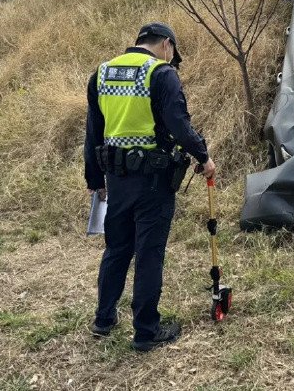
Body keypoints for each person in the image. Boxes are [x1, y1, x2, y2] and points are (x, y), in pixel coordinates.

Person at [84, 22, 215, 352]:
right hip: (153, 182)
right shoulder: (161, 74)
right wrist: (203, 155)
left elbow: (93, 131)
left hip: (116, 178)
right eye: (172, 53)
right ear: (167, 45)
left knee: (117, 248)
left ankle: (104, 319)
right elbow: (178, 124)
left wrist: (95, 180)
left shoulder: (102, 72)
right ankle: (146, 331)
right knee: (149, 253)